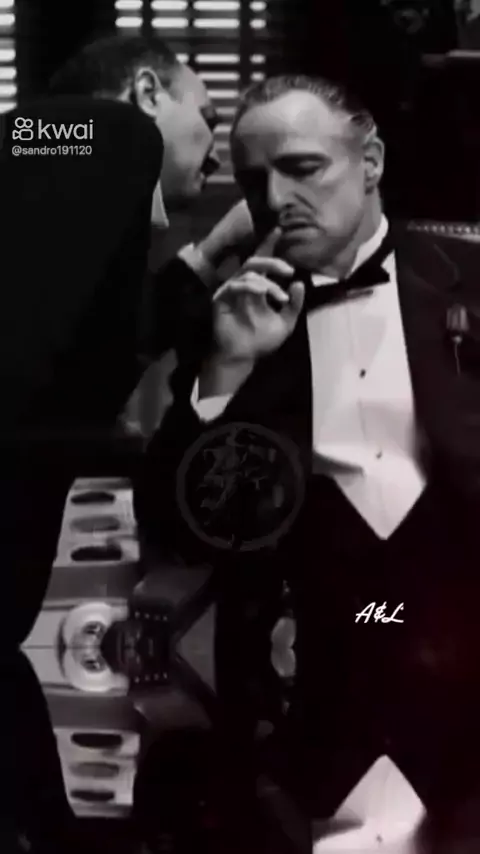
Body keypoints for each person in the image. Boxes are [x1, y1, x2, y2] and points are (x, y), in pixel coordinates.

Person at [135, 74, 480, 824]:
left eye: (303, 168)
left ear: (371, 162)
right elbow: (172, 527)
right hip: (299, 721)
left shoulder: (469, 285)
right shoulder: (232, 321)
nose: (277, 198)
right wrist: (226, 370)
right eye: (254, 181)